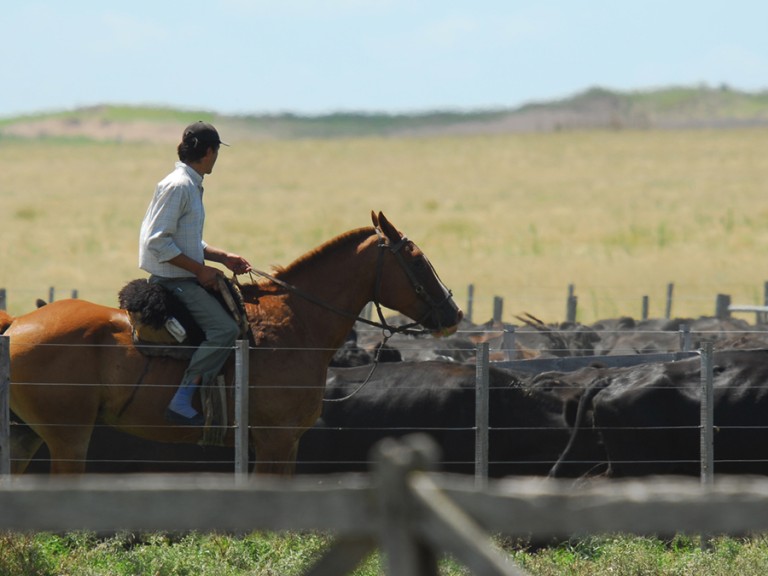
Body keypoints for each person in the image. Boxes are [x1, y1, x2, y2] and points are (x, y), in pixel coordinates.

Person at [139, 121, 252, 425]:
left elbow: (186, 240)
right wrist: (201, 271)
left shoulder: (188, 183)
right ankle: (182, 399)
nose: (217, 157)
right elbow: (158, 241)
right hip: (174, 280)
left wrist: (223, 257)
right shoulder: (179, 186)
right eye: (216, 151)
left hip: (181, 274)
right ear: (209, 151)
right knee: (224, 331)